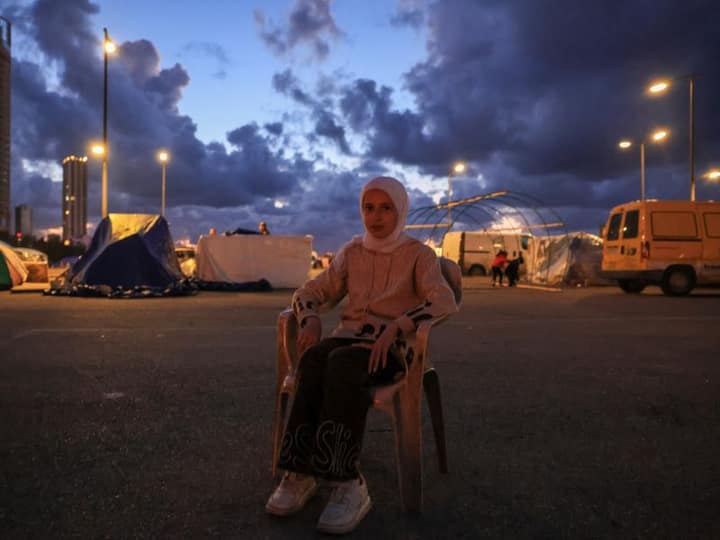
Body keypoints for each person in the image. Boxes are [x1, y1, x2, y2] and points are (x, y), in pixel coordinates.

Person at [265, 176, 458, 534]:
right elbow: (311, 290)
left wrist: (398, 325)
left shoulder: (419, 255)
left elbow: (444, 300)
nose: (375, 216)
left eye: (386, 208)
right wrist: (309, 319)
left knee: (341, 364)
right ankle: (301, 472)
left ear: (400, 211)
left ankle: (347, 482)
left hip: (394, 351)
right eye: (369, 208)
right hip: (349, 341)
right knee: (314, 358)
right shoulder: (352, 252)